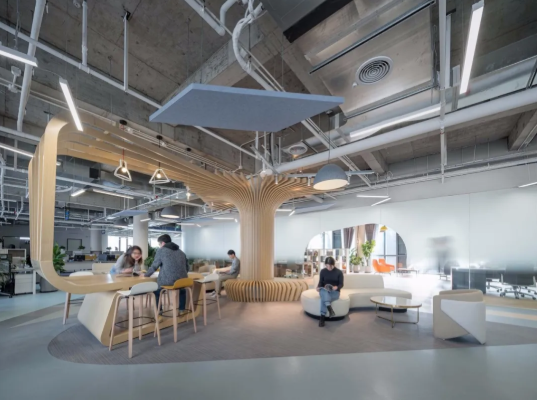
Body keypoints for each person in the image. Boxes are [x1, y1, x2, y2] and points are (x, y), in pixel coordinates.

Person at [144, 234, 188, 312]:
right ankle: (182, 310)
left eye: (159, 244)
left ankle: (159, 311)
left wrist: (146, 274)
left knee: (156, 290)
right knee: (182, 289)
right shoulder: (181, 252)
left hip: (169, 281)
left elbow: (154, 266)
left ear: (163, 243)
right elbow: (187, 267)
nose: (159, 246)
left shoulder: (161, 250)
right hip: (183, 280)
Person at [316, 256, 344, 327]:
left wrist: (336, 287)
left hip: (335, 292)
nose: (328, 267)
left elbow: (341, 284)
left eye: (330, 266)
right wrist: (318, 287)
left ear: (333, 265)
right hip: (324, 291)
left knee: (324, 298)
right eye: (327, 266)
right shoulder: (323, 271)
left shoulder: (339, 272)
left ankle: (322, 318)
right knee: (324, 291)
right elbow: (320, 283)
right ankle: (330, 309)